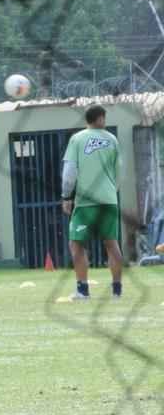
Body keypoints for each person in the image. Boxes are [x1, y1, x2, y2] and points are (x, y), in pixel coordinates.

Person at [62, 104, 123, 300]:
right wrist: (112, 192)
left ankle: (82, 290)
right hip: (109, 200)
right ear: (100, 118)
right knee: (111, 244)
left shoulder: (77, 139)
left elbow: (70, 172)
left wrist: (66, 196)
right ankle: (116, 290)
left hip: (86, 202)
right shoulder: (112, 140)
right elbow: (120, 171)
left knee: (77, 244)